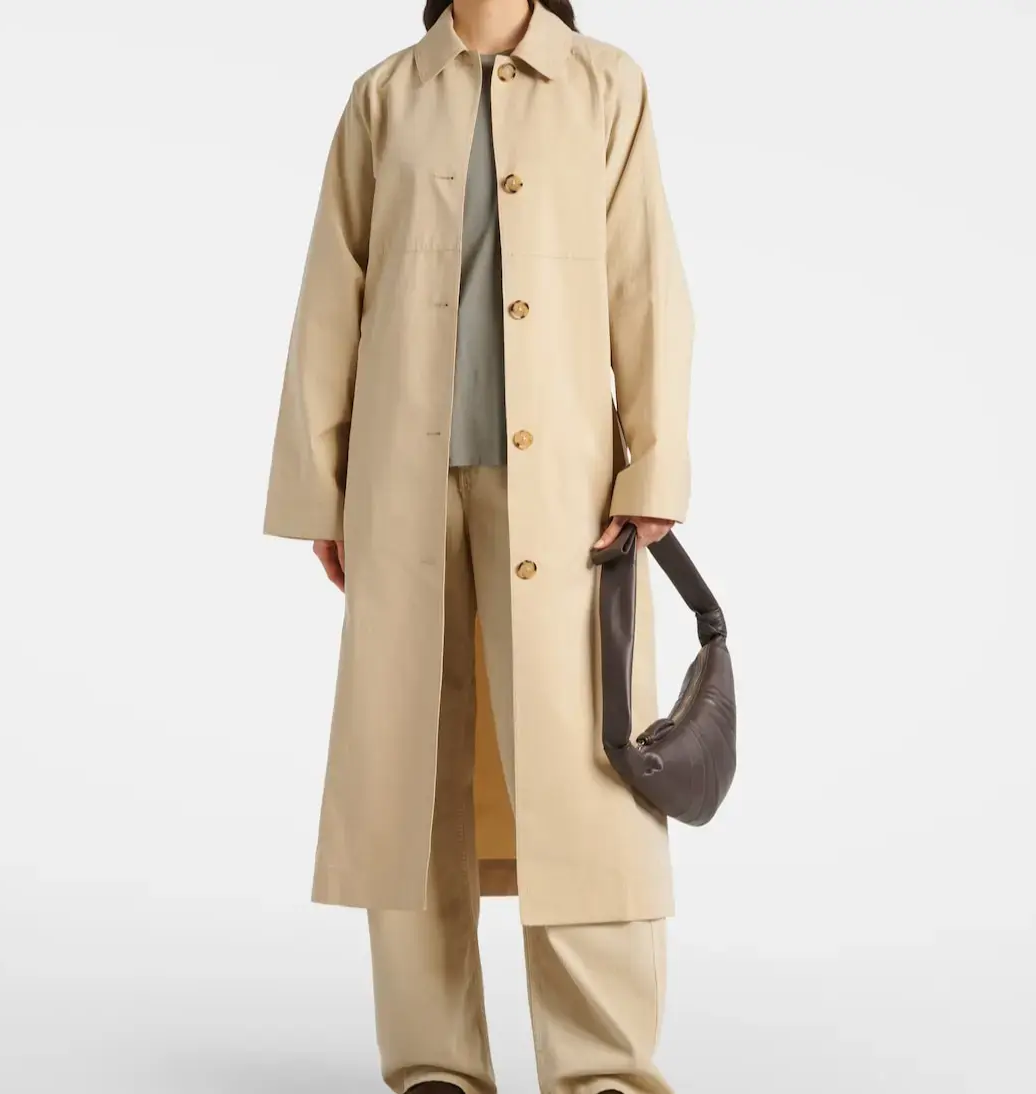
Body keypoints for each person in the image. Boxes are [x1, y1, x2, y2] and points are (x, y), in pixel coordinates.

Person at [263, 1, 695, 1091]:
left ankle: (603, 1070)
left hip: (568, 494)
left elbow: (645, 280)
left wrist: (654, 466)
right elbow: (332, 293)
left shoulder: (605, 84)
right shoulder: (384, 96)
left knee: (588, 771)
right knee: (408, 773)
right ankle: (432, 1065)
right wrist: (323, 488)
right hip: (401, 486)